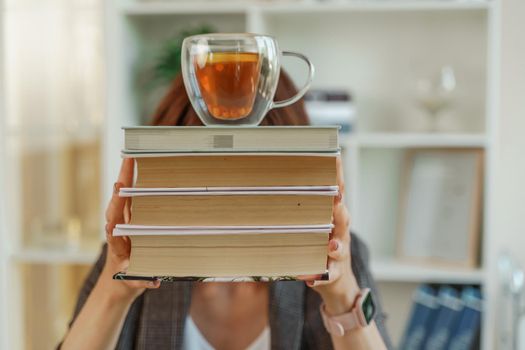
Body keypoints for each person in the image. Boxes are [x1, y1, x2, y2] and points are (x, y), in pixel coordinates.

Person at [60, 72, 392, 350]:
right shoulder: (132, 256)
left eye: (251, 171)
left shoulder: (338, 258)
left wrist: (342, 293)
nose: (226, 195)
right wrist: (114, 289)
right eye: (203, 170)